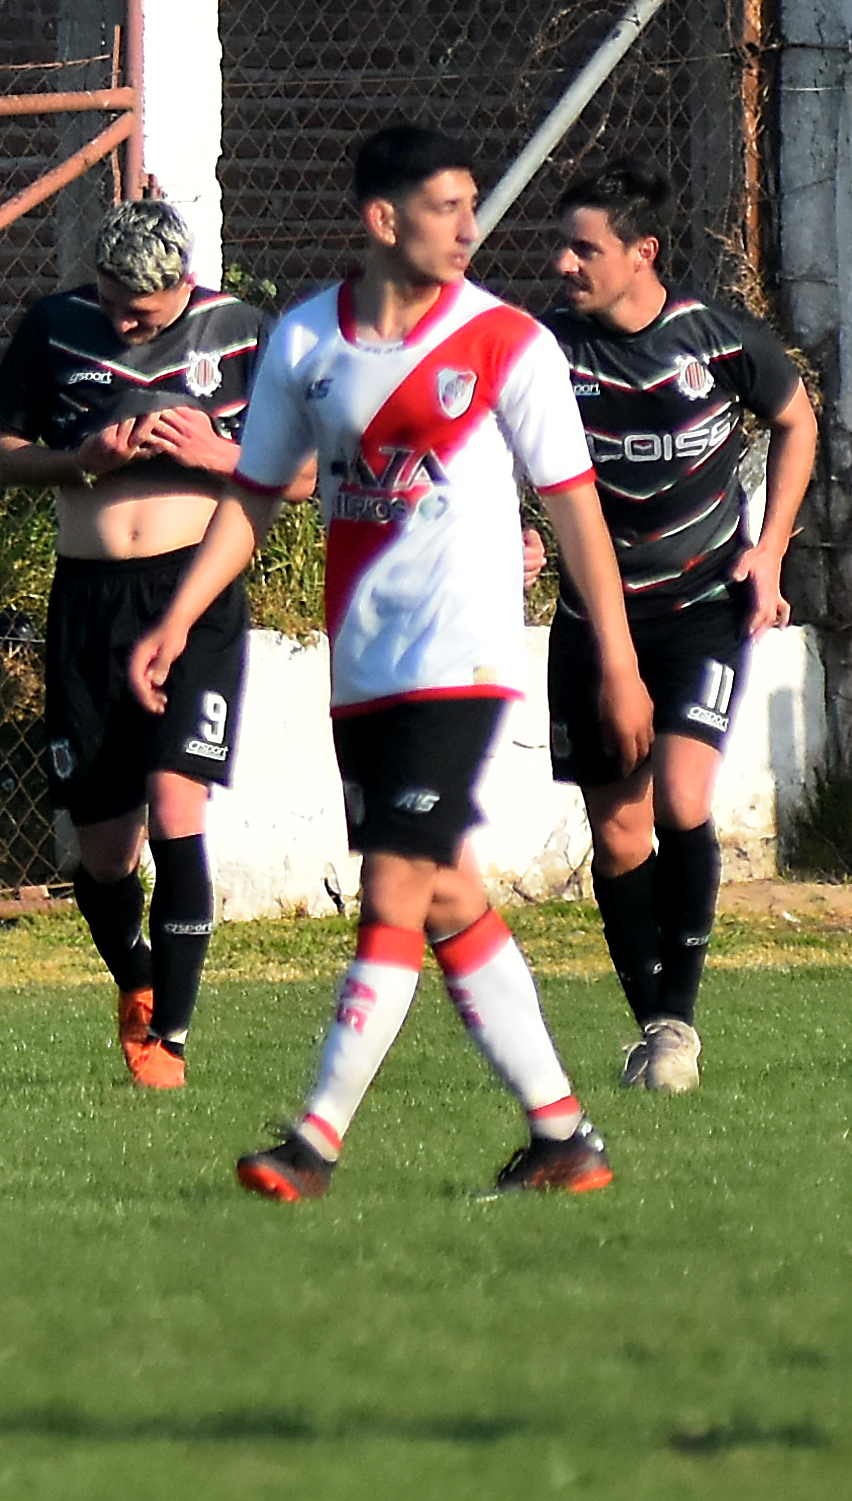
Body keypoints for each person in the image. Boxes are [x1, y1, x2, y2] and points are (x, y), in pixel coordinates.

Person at [127, 126, 655, 1202]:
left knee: (395, 886)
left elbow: (574, 509)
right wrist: (178, 618)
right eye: (449, 208)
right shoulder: (307, 344)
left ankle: (314, 1141)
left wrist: (618, 654)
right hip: (362, 671)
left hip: (461, 664)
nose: (472, 229)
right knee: (451, 891)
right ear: (382, 222)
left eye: (474, 206)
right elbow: (256, 497)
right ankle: (563, 1137)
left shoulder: (510, 345)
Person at [0, 198, 270, 1089]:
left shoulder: (241, 332)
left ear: (180, 285)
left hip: (194, 592)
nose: (117, 322)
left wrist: (218, 453)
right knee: (104, 855)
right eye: (107, 303)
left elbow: (300, 473)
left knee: (176, 808)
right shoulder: (56, 327)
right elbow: (0, 455)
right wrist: (84, 457)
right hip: (87, 602)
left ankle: (169, 1047)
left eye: (135, 313)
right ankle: (137, 990)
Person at [541, 162, 817, 1095]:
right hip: (592, 619)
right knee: (618, 837)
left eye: (584, 247)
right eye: (563, 244)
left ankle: (676, 1027)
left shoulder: (715, 341)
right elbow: (491, 441)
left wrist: (769, 546)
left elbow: (795, 420)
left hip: (701, 606)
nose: (563, 262)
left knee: (682, 800)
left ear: (641, 254)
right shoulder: (547, 353)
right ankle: (653, 1025)